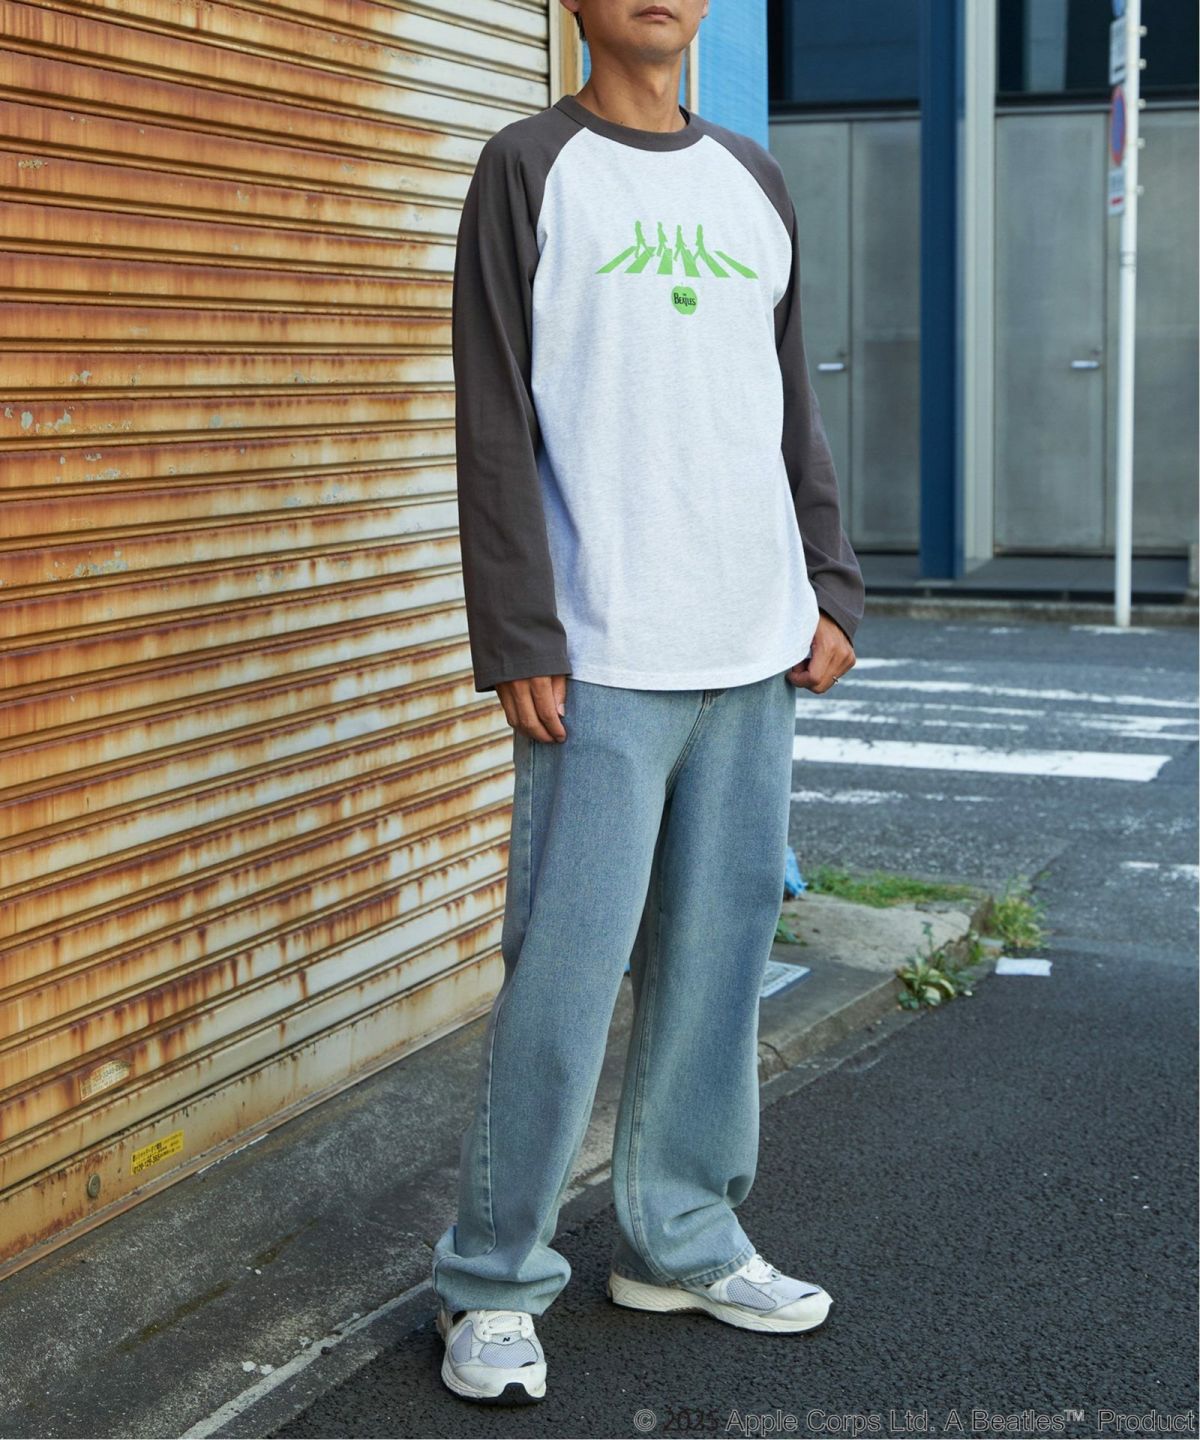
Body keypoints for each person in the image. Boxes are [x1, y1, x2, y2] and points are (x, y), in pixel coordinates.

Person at [430, 0, 865, 1405]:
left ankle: (680, 1238)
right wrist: (517, 625)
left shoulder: (752, 177)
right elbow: (491, 413)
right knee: (561, 984)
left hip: (753, 642)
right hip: (603, 650)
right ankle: (494, 1279)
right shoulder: (529, 166)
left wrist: (829, 581)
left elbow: (785, 403)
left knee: (718, 968)